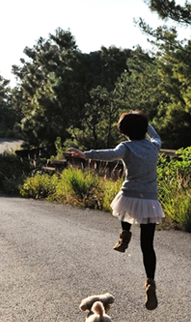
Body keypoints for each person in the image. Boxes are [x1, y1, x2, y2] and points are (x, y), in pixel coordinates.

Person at [68, 110, 164, 310]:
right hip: (149, 200)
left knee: (124, 208)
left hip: (129, 194)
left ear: (124, 132)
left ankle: (125, 235)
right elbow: (156, 136)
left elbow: (110, 155)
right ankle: (150, 282)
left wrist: (86, 155)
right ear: (144, 129)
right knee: (148, 246)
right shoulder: (154, 146)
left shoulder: (126, 147)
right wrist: (147, 125)